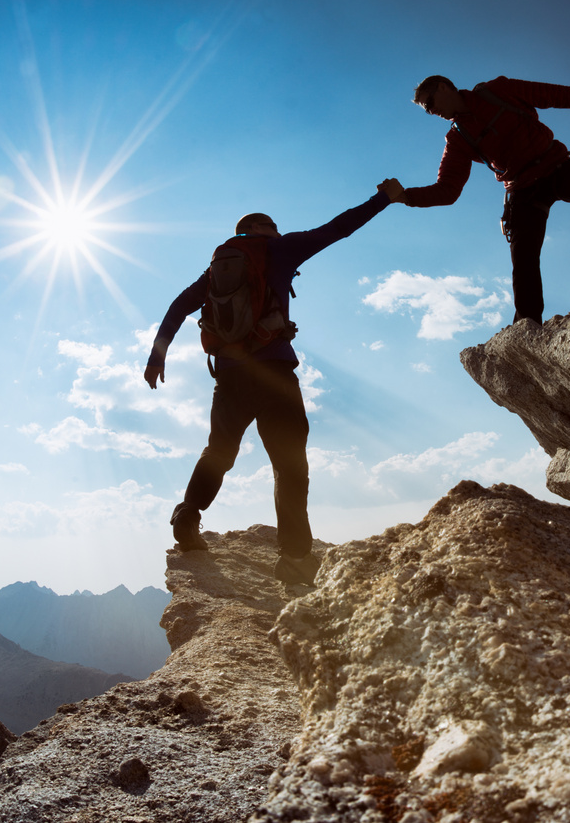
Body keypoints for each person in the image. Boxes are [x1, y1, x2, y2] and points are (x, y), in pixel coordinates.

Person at [144, 179, 404, 585]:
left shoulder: (215, 271)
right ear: (268, 230)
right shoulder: (278, 249)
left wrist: (156, 356)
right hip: (275, 376)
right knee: (289, 467)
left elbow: (179, 306)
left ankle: (187, 516)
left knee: (219, 451)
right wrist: (383, 198)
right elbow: (338, 228)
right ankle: (296, 559)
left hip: (229, 377)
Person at [401, 75, 570, 326]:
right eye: (427, 110)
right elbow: (447, 190)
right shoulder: (457, 138)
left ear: (443, 86)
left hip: (554, 163)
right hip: (522, 189)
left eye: (430, 103)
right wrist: (405, 196)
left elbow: (552, 92)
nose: (431, 111)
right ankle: (527, 323)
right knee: (523, 255)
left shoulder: (498, 90)